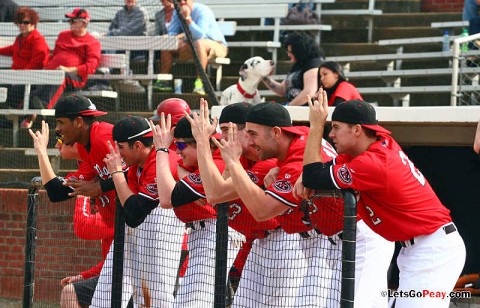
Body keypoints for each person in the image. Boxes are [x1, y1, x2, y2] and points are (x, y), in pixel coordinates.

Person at [302, 97, 466, 308]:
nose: (331, 134)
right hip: (419, 248)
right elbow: (315, 172)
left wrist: (315, 125)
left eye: (335, 127)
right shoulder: (372, 149)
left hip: (432, 249)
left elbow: (312, 176)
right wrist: (304, 176)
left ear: (357, 130)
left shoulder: (373, 162)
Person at [186, 100, 307, 307]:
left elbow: (215, 194)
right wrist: (204, 143)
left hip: (288, 240)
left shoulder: (267, 162)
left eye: (228, 130)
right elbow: (215, 193)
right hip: (262, 241)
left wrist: (204, 144)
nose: (222, 137)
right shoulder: (245, 158)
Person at [28, 95, 116, 307]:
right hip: (125, 233)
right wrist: (41, 151)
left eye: (61, 122)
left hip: (146, 225)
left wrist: (100, 186)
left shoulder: (102, 134)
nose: (57, 130)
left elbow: (133, 170)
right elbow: (57, 193)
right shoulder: (88, 154)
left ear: (78, 121)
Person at [150, 114, 243, 307]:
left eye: (181, 146)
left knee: (192, 303)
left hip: (217, 232)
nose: (177, 151)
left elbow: (167, 199)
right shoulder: (194, 162)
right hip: (202, 233)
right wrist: (183, 179)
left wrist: (161, 149)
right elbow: (176, 169)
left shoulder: (217, 159)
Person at [98, 116, 184, 307]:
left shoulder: (160, 161)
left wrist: (117, 173)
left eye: (120, 147)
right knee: (142, 298)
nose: (118, 154)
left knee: (158, 297)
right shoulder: (137, 165)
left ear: (137, 146)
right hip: (151, 228)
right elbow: (131, 211)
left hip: (174, 224)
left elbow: (135, 212)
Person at [30, 8, 101, 113]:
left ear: (83, 23)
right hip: (53, 71)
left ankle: (44, 107)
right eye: (70, 21)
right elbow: (55, 55)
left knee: (61, 75)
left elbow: (90, 67)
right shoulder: (63, 35)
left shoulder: (92, 42)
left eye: (73, 20)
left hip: (75, 77)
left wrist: (68, 69)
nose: (70, 23)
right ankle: (28, 107)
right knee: (34, 77)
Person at [154, 0, 228, 95]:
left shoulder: (202, 10)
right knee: (168, 44)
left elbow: (199, 35)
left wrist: (188, 18)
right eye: (179, 1)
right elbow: (172, 32)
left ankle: (200, 83)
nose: (183, 3)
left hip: (217, 45)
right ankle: (163, 81)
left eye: (185, 0)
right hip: (191, 45)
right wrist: (170, 37)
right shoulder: (177, 12)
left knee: (199, 43)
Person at [0, 6, 50, 114]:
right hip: (16, 77)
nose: (22, 25)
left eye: (26, 22)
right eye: (19, 22)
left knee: (14, 91)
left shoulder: (38, 40)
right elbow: (12, 50)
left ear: (33, 23)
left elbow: (37, 62)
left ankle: (17, 116)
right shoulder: (20, 38)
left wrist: (19, 77)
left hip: (31, 79)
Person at [262, 31, 323, 106]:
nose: (288, 54)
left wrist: (288, 107)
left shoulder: (313, 64)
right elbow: (282, 90)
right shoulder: (297, 64)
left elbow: (309, 92)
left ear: (299, 51)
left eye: (291, 52)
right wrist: (264, 77)